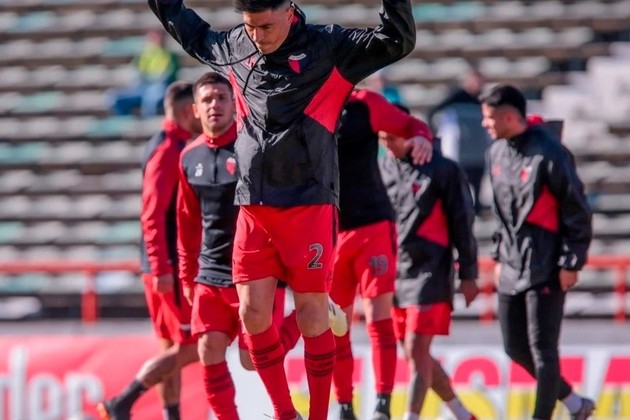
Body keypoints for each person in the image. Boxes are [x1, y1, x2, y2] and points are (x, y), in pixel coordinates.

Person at [149, 0, 416, 418]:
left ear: (290, 12)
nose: (258, 36)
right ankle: (285, 413)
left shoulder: (328, 47)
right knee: (254, 315)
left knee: (312, 318)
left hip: (308, 205)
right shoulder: (238, 46)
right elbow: (190, 30)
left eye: (266, 26)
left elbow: (397, 40)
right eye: (250, 27)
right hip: (253, 207)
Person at [177, 71, 302, 418]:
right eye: (207, 100)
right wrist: (188, 277)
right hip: (211, 272)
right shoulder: (189, 157)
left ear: (235, 104)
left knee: (251, 360)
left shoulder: (252, 147)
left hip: (257, 270)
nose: (214, 105)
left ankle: (306, 318)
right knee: (208, 349)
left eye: (221, 97)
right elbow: (187, 224)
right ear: (195, 110)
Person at [480, 84, 594, 420]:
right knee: (513, 348)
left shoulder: (551, 152)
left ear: (509, 117)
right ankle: (575, 404)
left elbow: (577, 210)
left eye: (488, 119)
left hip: (547, 264)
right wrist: (499, 255)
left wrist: (571, 261)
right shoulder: (497, 152)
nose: (485, 125)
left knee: (544, 351)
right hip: (512, 266)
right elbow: (501, 213)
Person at [98, 81, 201, 420]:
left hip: (162, 266)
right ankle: (123, 401)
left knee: (170, 349)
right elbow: (153, 214)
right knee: (194, 346)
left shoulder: (169, 143)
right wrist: (161, 268)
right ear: (190, 111)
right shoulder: (169, 150)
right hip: (168, 267)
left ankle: (170, 415)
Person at [331, 89, 433, 420]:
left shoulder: (365, 104)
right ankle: (345, 405)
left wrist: (422, 137)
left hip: (372, 225)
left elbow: (411, 124)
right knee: (336, 327)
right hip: (329, 233)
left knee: (378, 320)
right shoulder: (305, 100)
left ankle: (382, 405)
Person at [378, 114, 480, 420]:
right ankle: (462, 414)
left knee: (416, 347)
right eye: (382, 141)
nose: (388, 147)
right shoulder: (383, 167)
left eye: (392, 140)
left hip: (431, 271)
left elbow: (463, 222)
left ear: (410, 134)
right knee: (413, 353)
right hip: (395, 273)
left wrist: (469, 274)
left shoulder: (443, 169)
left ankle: (411, 416)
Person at [427, 69, 489, 213]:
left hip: (479, 149)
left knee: (478, 181)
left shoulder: (484, 99)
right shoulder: (456, 97)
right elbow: (433, 112)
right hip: (461, 150)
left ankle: (477, 208)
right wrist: (434, 133)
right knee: (462, 182)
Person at [107, 28, 180, 118]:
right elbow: (138, 73)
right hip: (141, 88)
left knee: (152, 97)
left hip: (158, 88)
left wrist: (149, 79)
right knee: (115, 98)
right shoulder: (144, 54)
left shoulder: (170, 55)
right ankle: (126, 123)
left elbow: (167, 77)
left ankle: (148, 121)